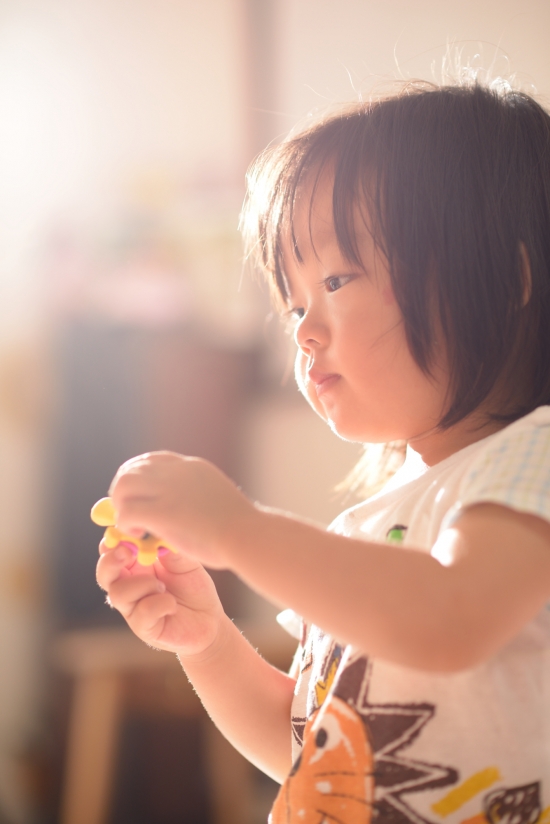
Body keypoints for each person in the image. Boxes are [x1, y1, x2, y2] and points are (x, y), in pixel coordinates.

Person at [96, 81, 550, 824]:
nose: (304, 331)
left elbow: (453, 617)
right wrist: (208, 642)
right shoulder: (369, 528)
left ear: (505, 281)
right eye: (294, 304)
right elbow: (316, 759)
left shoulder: (534, 460)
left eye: (337, 280)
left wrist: (238, 530)